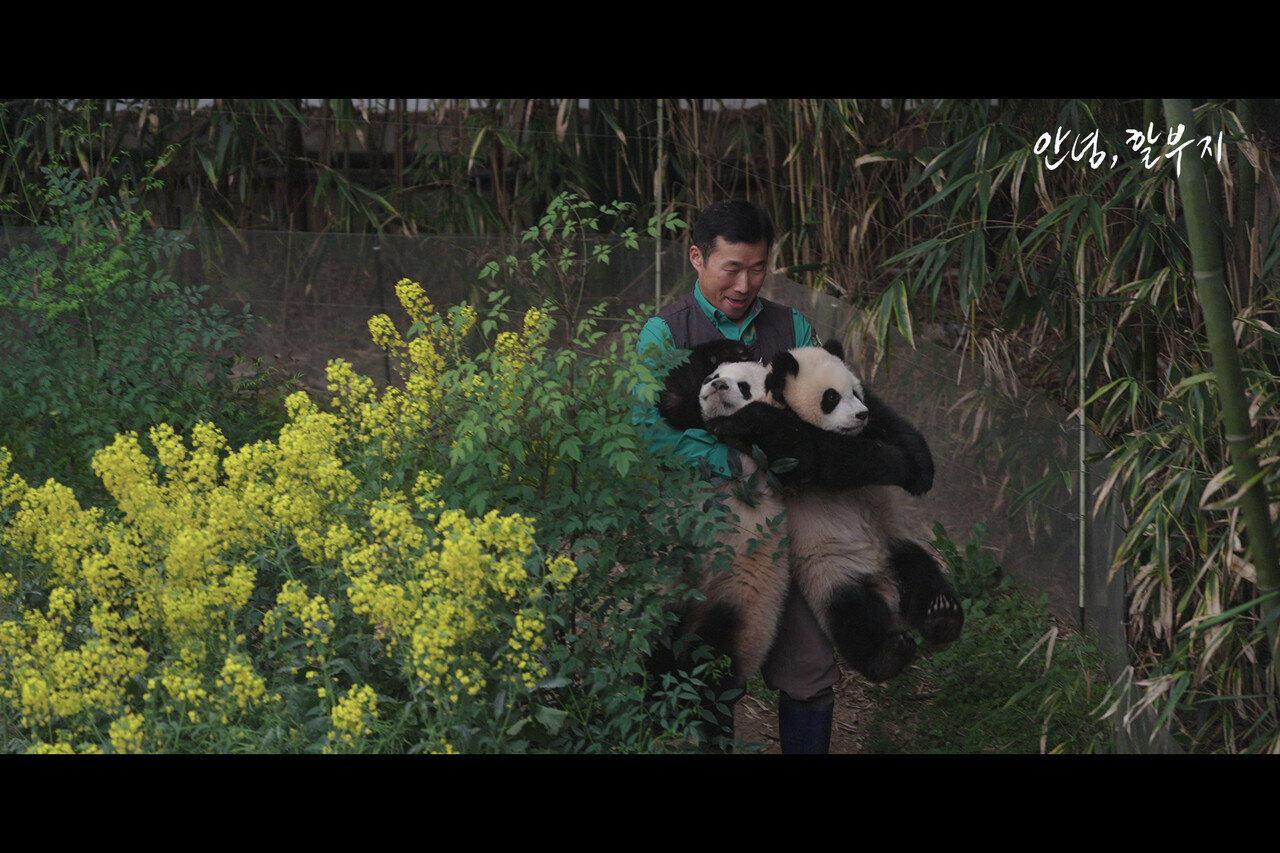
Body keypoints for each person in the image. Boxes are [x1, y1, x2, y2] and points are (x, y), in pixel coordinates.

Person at [635, 198, 839, 754]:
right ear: (697, 257)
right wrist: (729, 461)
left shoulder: (791, 326)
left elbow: (827, 405)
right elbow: (647, 431)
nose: (745, 283)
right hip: (699, 524)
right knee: (707, 659)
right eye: (732, 267)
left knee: (811, 663)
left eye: (757, 268)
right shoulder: (663, 333)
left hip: (786, 519)